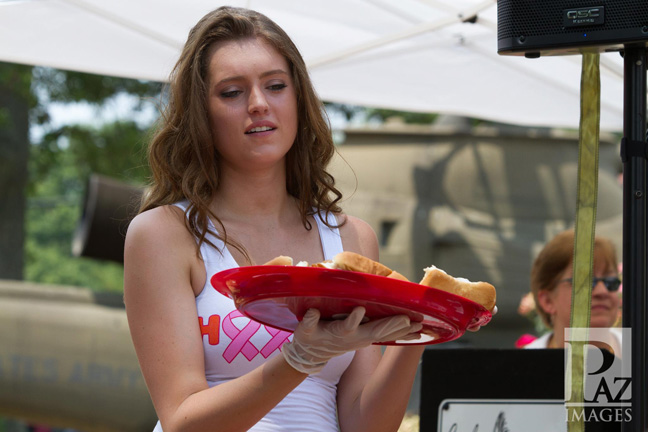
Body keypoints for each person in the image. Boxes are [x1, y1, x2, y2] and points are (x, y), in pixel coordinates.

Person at [123, 6, 464, 431]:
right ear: (200, 115)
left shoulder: (351, 238)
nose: (259, 104)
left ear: (299, 99)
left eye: (276, 86)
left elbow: (365, 425)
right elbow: (182, 421)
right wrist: (302, 356)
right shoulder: (163, 234)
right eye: (231, 92)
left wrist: (418, 331)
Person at [523, 229, 622, 350]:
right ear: (548, 301)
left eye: (610, 281)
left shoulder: (639, 354)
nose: (602, 291)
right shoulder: (522, 365)